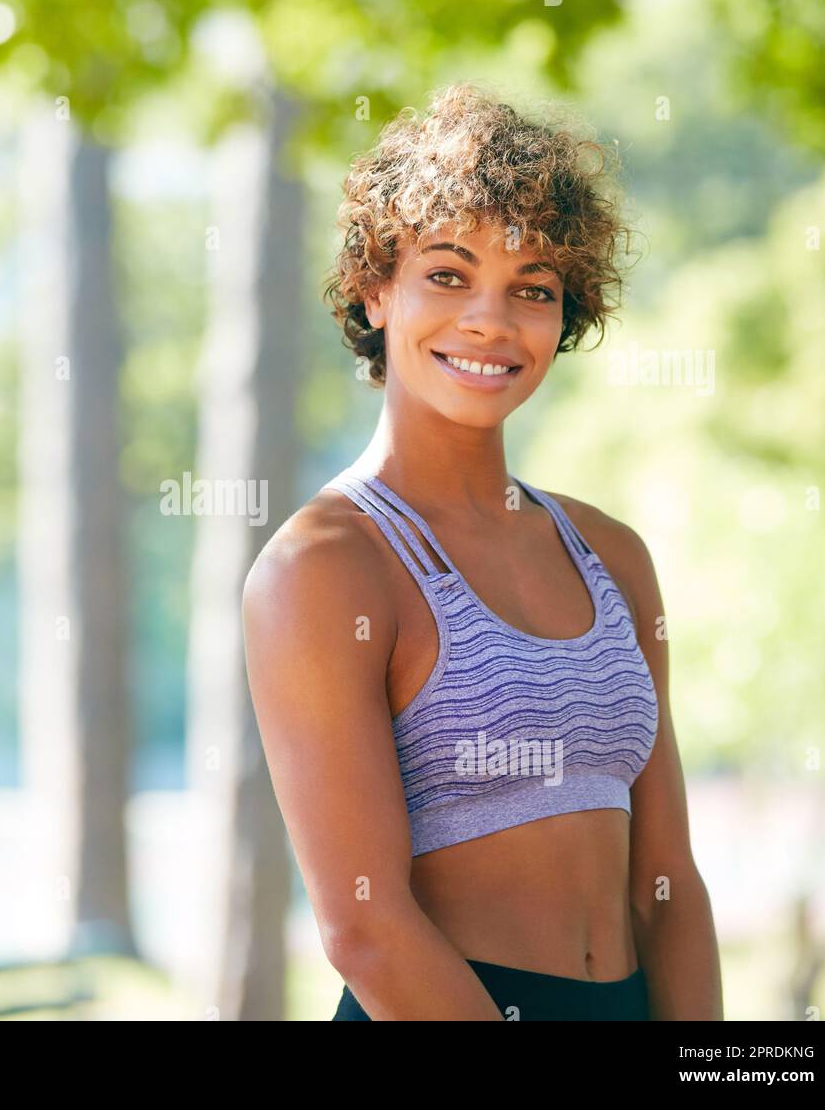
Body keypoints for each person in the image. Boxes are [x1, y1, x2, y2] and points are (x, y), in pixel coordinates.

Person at [241, 83, 723, 1020]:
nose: (490, 323)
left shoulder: (611, 555)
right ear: (375, 291)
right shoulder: (326, 567)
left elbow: (667, 886)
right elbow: (365, 930)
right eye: (449, 275)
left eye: (532, 289)